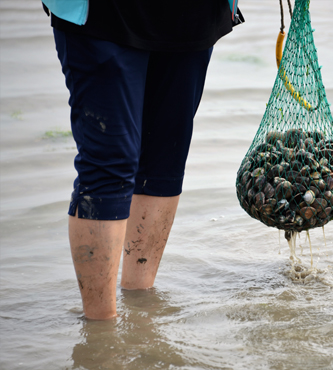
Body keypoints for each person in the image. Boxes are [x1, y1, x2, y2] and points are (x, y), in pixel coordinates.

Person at [43, 0, 243, 320]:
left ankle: (140, 309)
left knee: (166, 158)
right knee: (109, 164)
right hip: (103, 13)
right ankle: (100, 332)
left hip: (195, 12)